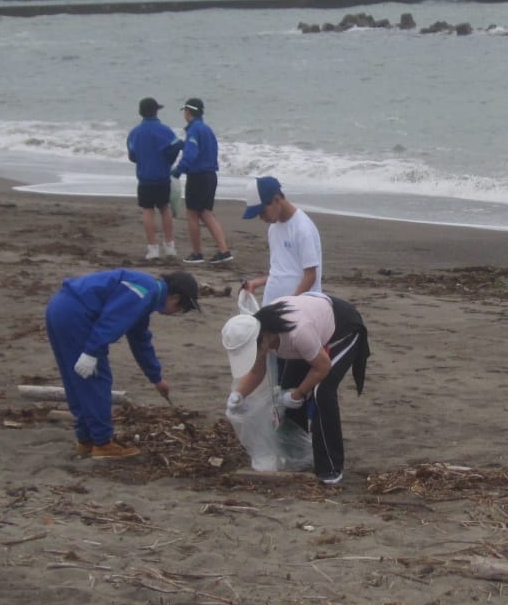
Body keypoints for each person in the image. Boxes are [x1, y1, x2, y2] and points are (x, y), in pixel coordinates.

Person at [45, 269, 201, 459]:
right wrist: (92, 351)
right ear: (175, 297)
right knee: (96, 380)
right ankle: (102, 443)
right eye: (180, 308)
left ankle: (86, 440)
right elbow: (112, 319)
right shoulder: (144, 290)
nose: (176, 313)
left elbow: (140, 340)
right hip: (77, 315)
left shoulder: (146, 295)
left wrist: (156, 378)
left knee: (77, 379)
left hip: (59, 309)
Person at [225, 293, 369, 486]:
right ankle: (297, 457)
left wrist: (299, 393)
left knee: (321, 392)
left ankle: (331, 468)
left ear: (264, 339)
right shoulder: (260, 334)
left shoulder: (297, 332)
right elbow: (256, 373)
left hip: (342, 328)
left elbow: (322, 367)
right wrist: (238, 395)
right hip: (312, 333)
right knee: (287, 388)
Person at [240, 176, 322, 304]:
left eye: (262, 212)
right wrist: (257, 282)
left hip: (300, 306)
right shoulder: (274, 228)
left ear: (277, 200)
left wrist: (291, 303)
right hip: (272, 303)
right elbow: (282, 271)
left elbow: (310, 275)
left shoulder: (302, 228)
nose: (261, 218)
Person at [171, 97, 233, 265]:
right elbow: (205, 149)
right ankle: (223, 250)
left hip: (198, 176)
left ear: (188, 112)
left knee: (192, 213)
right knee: (206, 213)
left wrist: (178, 171)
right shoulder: (206, 129)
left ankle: (197, 253)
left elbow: (191, 154)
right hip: (211, 175)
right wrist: (182, 145)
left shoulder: (194, 130)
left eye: (184, 111)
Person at [127, 97, 182, 261]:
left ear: (140, 112)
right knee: (165, 208)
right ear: (156, 111)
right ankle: (169, 245)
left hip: (145, 177)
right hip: (162, 176)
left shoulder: (134, 133)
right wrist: (169, 161)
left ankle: (153, 248)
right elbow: (175, 147)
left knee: (147, 210)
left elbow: (132, 156)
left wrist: (144, 160)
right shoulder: (165, 130)